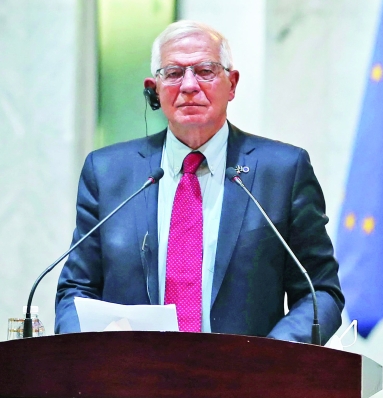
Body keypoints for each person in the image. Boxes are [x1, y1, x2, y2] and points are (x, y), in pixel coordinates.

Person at [55, 21, 343, 343]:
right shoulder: (108, 173)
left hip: (246, 384)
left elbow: (320, 292)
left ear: (231, 84)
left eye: (206, 70)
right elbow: (75, 291)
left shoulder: (282, 171)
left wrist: (272, 360)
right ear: (154, 88)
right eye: (174, 73)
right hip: (131, 383)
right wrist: (86, 355)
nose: (189, 85)